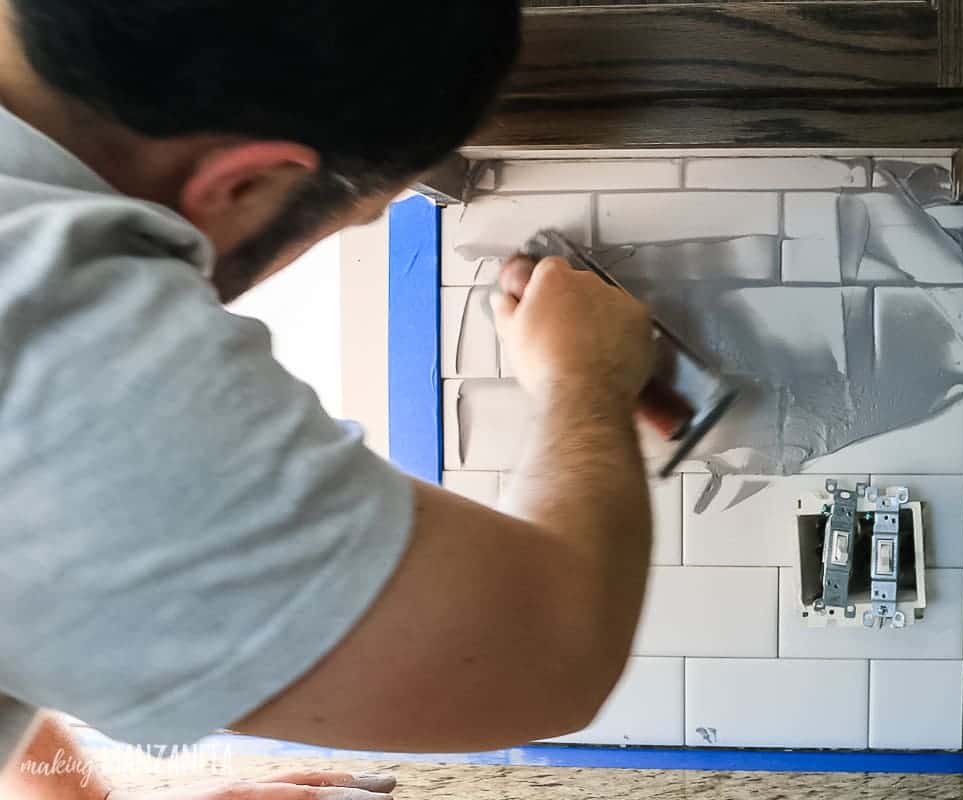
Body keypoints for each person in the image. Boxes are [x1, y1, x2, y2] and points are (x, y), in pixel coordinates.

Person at [0, 1, 658, 797]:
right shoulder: (60, 319)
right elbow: (553, 653)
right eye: (353, 220)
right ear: (246, 184)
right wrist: (584, 384)